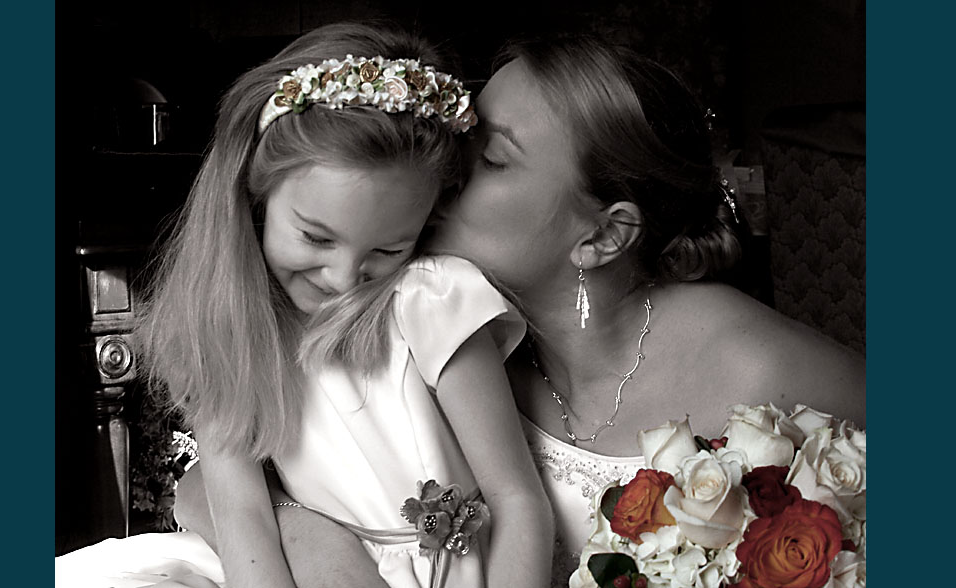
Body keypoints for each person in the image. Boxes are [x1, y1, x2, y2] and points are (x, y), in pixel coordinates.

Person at [171, 32, 866, 588]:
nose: (446, 166)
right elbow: (220, 466)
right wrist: (305, 530)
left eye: (490, 157)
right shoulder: (408, 300)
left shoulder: (747, 361)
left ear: (601, 235)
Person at [136, 21, 553, 588]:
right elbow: (245, 521)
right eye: (315, 237)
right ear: (256, 194)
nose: (344, 278)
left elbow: (518, 500)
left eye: (388, 248)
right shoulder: (226, 328)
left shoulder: (431, 302)